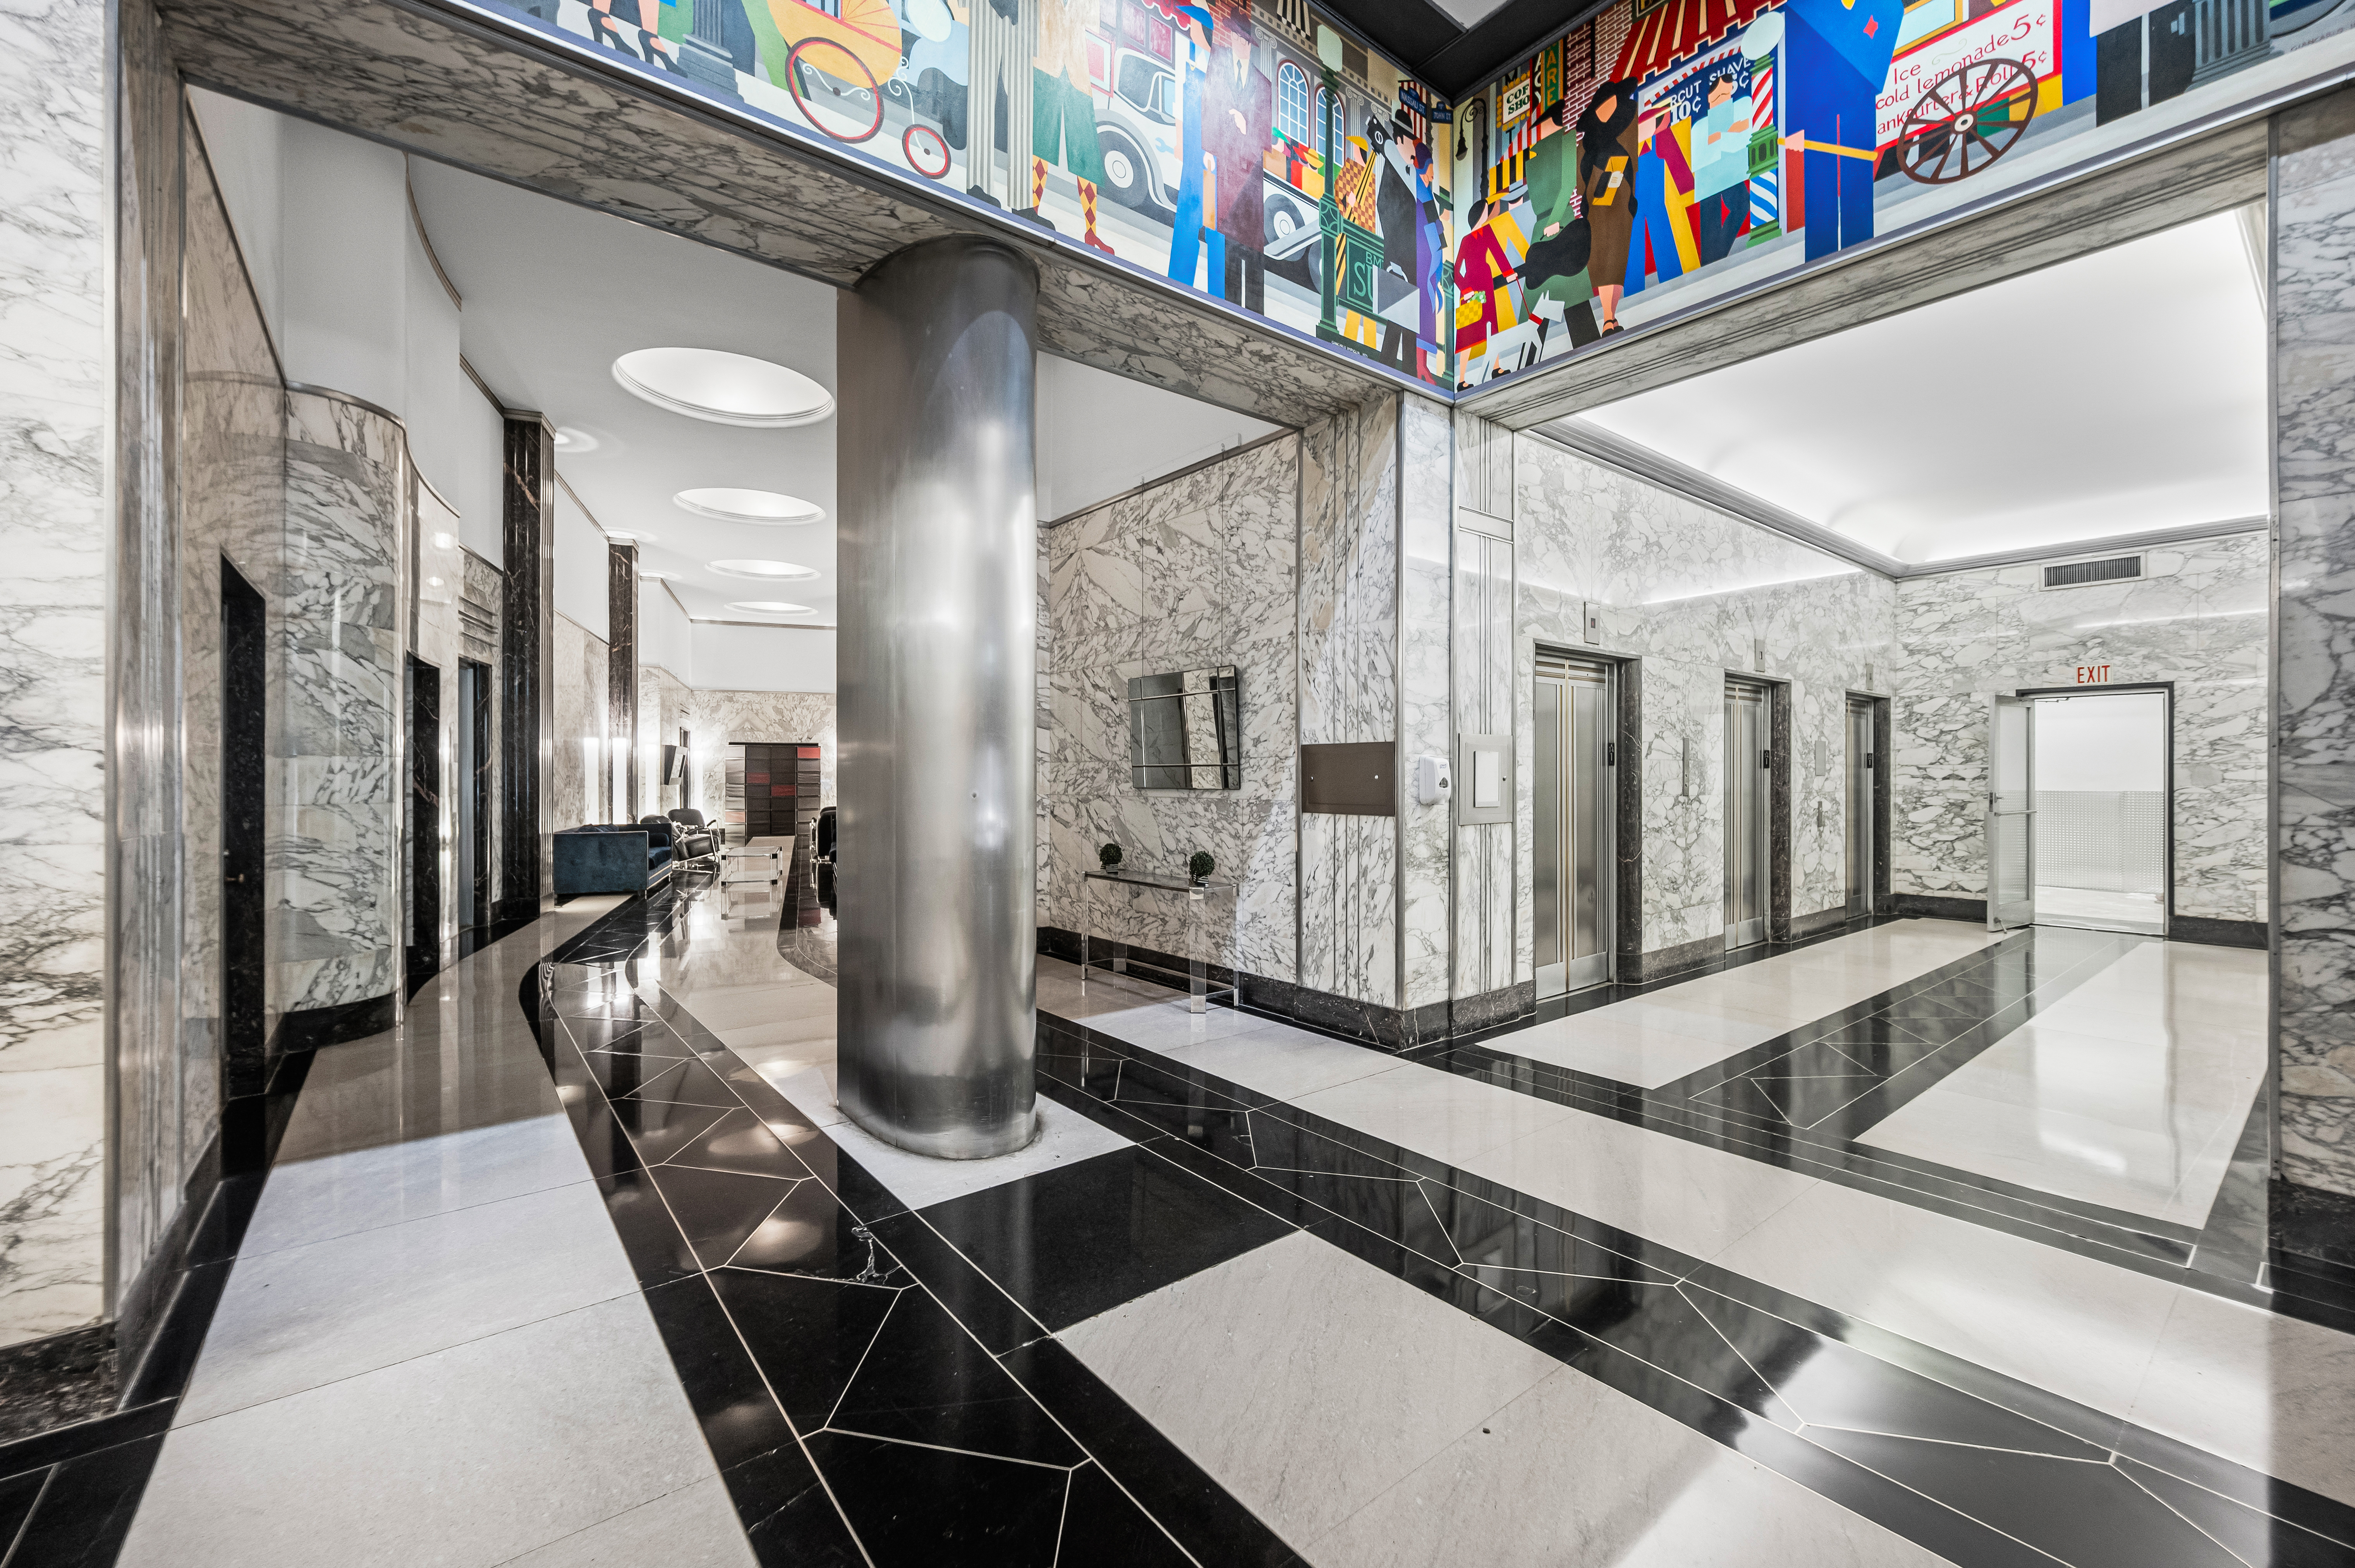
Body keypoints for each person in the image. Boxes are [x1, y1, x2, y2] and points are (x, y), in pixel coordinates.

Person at [1782, 0, 1907, 261]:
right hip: (1816, 103)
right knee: (1819, 176)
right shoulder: (1804, 8)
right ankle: (1819, 255)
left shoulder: (1883, 7)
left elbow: (1883, 31)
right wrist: (1793, 125)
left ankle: (1859, 245)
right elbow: (1793, 65)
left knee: (1857, 171)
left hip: (1858, 94)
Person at [1031, 0, 1116, 251]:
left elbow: (1096, 38)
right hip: (1047, 70)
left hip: (1080, 80)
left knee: (1087, 161)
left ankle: (1091, 232)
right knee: (1041, 148)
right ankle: (1031, 209)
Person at [1203, 8, 1272, 311]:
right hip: (1226, 169)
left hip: (1251, 176)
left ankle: (1255, 314)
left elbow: (1265, 138)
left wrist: (1244, 127)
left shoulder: (1263, 85)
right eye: (1235, 36)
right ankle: (1230, 309)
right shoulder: (1217, 64)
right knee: (1229, 239)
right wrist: (1208, 149)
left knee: (1253, 247)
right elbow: (1208, 106)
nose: (1238, 43)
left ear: (1249, 45)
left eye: (1243, 39)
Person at [1576, 80, 1641, 333]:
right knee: (1605, 263)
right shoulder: (1587, 146)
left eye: (1611, 105)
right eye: (1602, 107)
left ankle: (1611, 316)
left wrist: (1631, 198)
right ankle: (1607, 318)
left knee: (1618, 262)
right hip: (1599, 212)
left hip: (1621, 208)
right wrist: (1586, 204)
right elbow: (1582, 181)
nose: (1607, 111)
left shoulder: (1624, 130)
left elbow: (1628, 168)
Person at [1166, 6, 1222, 288]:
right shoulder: (1187, 58)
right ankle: (1178, 279)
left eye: (1193, 23)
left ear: (1203, 29)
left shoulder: (1217, 73)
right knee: (1187, 214)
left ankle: (1217, 289)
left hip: (1210, 157)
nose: (1189, 26)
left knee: (1214, 225)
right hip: (1191, 152)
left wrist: (1211, 153)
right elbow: (1180, 104)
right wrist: (1179, 141)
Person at [1624, 98, 1695, 297]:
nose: (1644, 128)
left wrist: (1688, 187)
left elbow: (1677, 163)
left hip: (1657, 202)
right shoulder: (1629, 154)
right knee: (1635, 244)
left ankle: (1673, 278)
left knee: (1662, 236)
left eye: (1649, 123)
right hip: (1634, 208)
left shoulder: (1660, 140)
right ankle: (1633, 290)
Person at [1691, 69, 1754, 265]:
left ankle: (1717, 258)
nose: (1724, 100)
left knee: (1742, 205)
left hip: (1730, 173)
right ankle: (1712, 263)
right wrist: (1727, 135)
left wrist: (1718, 138)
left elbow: (1744, 138)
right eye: (1718, 96)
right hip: (1708, 177)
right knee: (1710, 226)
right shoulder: (1701, 126)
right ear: (1709, 100)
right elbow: (1699, 156)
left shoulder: (1741, 107)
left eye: (1727, 94)